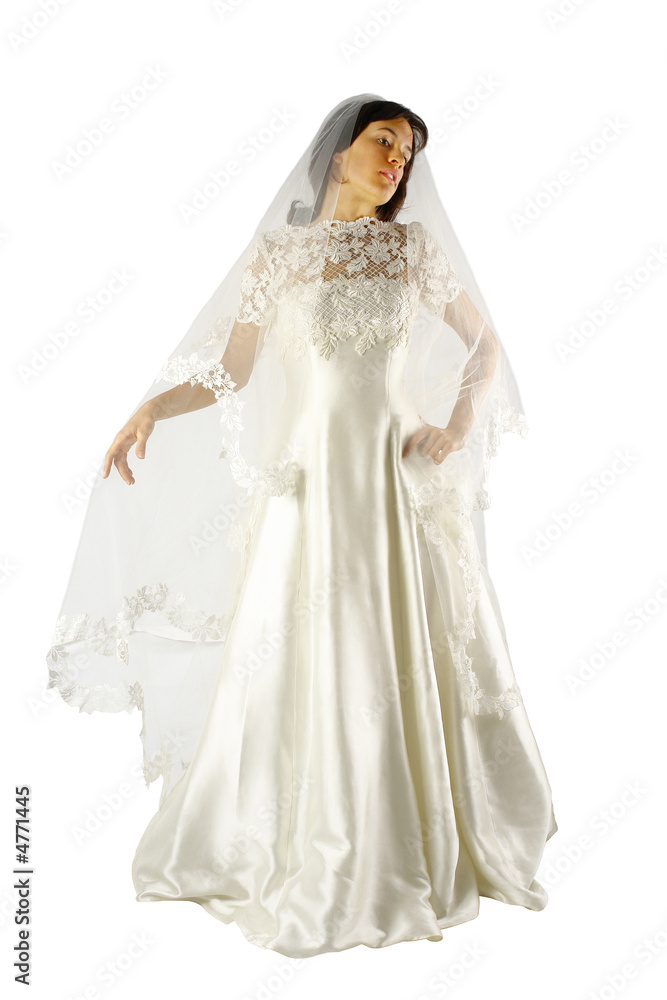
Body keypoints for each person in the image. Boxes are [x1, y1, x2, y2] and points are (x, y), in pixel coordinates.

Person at [47, 93, 558, 958]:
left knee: (398, 642)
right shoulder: (280, 256)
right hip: (307, 483)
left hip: (391, 476)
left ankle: (409, 834)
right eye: (383, 140)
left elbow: (485, 346)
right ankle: (291, 832)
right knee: (294, 646)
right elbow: (232, 370)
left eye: (408, 152)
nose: (397, 160)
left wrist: (455, 427)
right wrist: (149, 408)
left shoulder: (412, 249)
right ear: (339, 151)